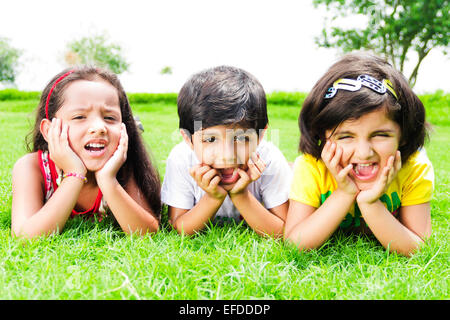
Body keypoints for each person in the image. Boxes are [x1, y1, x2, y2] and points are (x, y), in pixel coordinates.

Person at [285, 53, 434, 256]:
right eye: (345, 137)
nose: (364, 153)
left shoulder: (414, 168)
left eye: (380, 135)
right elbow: (295, 245)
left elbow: (419, 249)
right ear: (321, 136)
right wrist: (344, 193)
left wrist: (370, 203)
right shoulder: (311, 168)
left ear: (404, 134)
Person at [11, 66, 161, 238]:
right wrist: (74, 174)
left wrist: (108, 180)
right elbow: (25, 236)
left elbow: (146, 233)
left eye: (110, 118)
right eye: (79, 117)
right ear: (49, 130)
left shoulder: (122, 163)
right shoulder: (32, 167)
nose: (99, 128)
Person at [161, 66, 292, 237]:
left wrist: (241, 195)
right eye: (210, 139)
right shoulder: (181, 159)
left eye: (241, 138)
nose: (227, 155)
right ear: (188, 139)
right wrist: (212, 198)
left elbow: (284, 232)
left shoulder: (270, 159)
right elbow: (178, 228)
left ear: (260, 137)